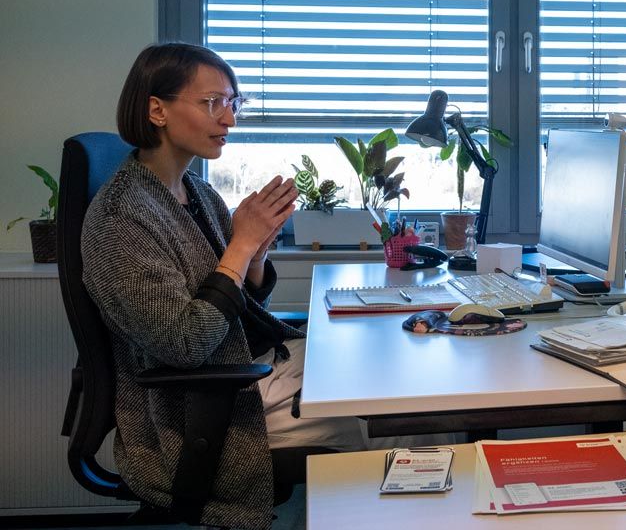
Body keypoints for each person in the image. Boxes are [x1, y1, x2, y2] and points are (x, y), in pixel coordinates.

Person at [80, 43, 445, 530]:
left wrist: (257, 256)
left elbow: (232, 311)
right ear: (157, 110)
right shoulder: (122, 217)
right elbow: (184, 343)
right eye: (213, 103)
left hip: (245, 371)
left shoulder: (196, 193)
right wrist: (240, 246)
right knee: (406, 419)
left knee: (402, 374)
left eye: (234, 103)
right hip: (194, 414)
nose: (229, 119)